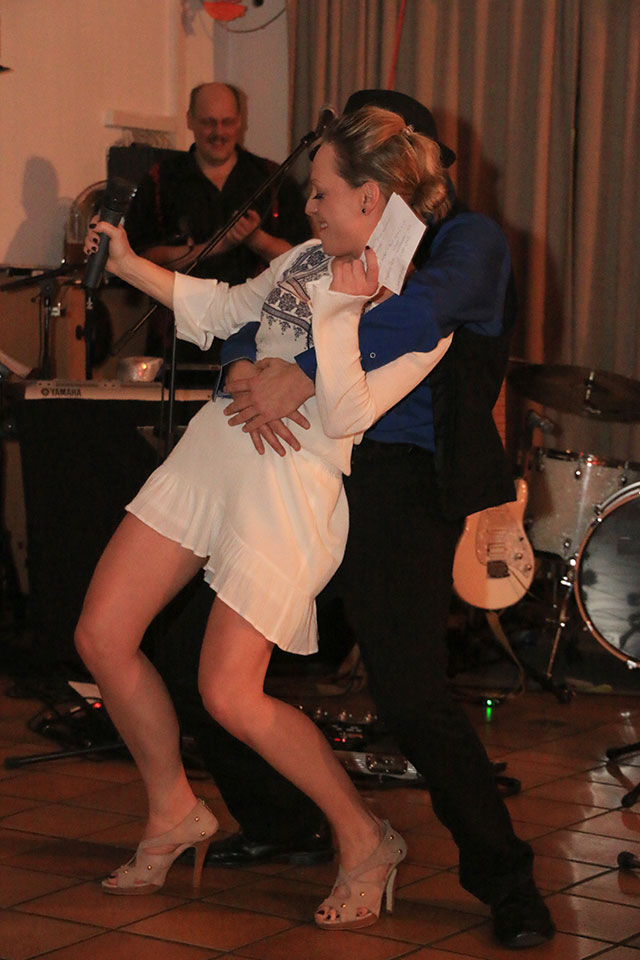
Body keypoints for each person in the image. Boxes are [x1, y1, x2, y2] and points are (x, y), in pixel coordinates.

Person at [76, 103, 454, 929]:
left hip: (288, 487)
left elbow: (346, 413)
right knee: (102, 634)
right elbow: (221, 313)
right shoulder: (309, 255)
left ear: (371, 198)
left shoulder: (416, 301)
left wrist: (337, 315)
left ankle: (365, 837)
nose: (307, 205)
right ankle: (173, 809)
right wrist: (129, 261)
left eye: (321, 192)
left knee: (228, 694)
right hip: (216, 452)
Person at [206, 88, 555, 949]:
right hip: (301, 463)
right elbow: (262, 313)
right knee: (190, 653)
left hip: (399, 473)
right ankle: (288, 821)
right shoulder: (330, 244)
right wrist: (245, 366)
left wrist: (304, 370)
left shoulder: (468, 240)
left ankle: (507, 880)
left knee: (408, 692)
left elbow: (415, 315)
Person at [123, 81, 310, 363]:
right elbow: (138, 260)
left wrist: (256, 239)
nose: (219, 132)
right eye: (209, 122)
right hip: (178, 343)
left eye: (227, 122)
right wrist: (212, 247)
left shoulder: (272, 178)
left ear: (240, 121)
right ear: (190, 120)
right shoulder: (161, 180)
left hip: (257, 342)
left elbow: (305, 263)